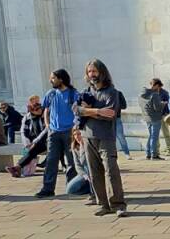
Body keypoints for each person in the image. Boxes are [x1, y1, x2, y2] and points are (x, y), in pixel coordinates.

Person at [75, 59, 127, 217]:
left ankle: (118, 204)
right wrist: (97, 111)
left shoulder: (111, 92)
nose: (92, 74)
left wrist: (87, 110)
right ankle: (103, 204)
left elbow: (110, 113)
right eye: (89, 72)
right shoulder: (86, 92)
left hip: (106, 137)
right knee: (94, 172)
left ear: (102, 72)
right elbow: (76, 109)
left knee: (111, 170)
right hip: (87, 136)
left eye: (94, 71)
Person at [35, 69, 79, 198]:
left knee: (71, 161)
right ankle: (48, 188)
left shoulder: (73, 93)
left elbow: (78, 111)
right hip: (54, 132)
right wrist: (48, 125)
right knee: (51, 161)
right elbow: (46, 110)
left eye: (53, 78)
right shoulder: (51, 94)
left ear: (61, 79)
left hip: (69, 132)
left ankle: (72, 187)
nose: (51, 80)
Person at [139, 78, 168, 160]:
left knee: (151, 136)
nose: (159, 89)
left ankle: (148, 153)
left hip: (146, 117)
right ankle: (154, 155)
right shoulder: (154, 94)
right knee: (154, 137)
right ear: (155, 85)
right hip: (155, 118)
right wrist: (163, 103)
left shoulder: (141, 94)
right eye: (158, 87)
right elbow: (157, 108)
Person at [66, 128, 93, 199]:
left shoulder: (89, 144)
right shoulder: (74, 146)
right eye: (75, 135)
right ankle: (89, 189)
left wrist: (83, 145)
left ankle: (94, 192)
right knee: (70, 189)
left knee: (87, 166)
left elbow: (84, 160)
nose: (77, 137)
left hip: (92, 170)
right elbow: (78, 164)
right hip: (84, 173)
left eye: (79, 134)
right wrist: (84, 175)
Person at [114, 89, 132, 160]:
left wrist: (115, 106)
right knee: (109, 139)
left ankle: (127, 153)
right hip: (107, 119)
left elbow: (124, 105)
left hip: (117, 118)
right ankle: (113, 155)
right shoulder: (103, 93)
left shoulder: (118, 93)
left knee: (121, 137)